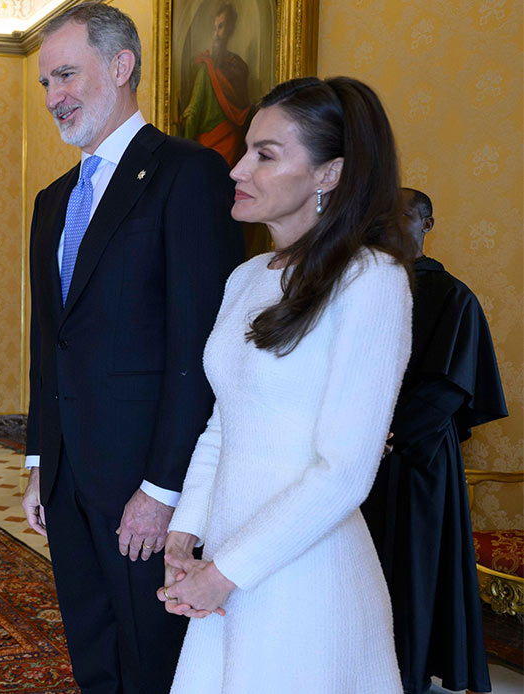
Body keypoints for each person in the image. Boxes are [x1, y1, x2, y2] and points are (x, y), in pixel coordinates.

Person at [158, 76, 414, 693]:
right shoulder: (246, 276)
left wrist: (227, 572)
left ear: (329, 175)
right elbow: (226, 418)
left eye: (265, 154)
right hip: (226, 555)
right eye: (246, 149)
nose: (238, 168)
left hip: (307, 573)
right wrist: (185, 527)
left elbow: (346, 471)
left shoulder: (371, 281)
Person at [20, 4, 244, 692]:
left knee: (154, 654)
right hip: (67, 479)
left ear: (120, 67)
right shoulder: (53, 199)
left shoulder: (187, 174)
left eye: (65, 75)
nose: (54, 97)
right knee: (92, 647)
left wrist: (163, 488)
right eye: (45, 83)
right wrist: (38, 459)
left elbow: (199, 348)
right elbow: (49, 343)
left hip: (142, 483)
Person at [361, 188, 508, 694]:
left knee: (415, 568)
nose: (390, 225)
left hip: (418, 458)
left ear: (428, 224)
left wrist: (386, 432)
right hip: (356, 452)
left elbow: (450, 386)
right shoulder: (362, 287)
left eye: (403, 216)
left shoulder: (454, 298)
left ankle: (409, 669)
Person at [180, 3, 251, 167]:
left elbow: (244, 111)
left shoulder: (239, 67)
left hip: (234, 145)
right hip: (208, 145)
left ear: (231, 29)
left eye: (221, 27)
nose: (216, 34)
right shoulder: (207, 67)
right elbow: (194, 110)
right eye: (214, 28)